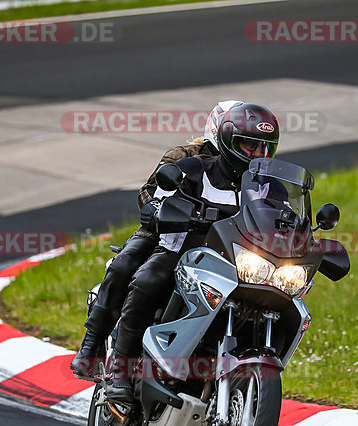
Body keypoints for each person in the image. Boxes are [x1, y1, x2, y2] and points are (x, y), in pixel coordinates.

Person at [104, 102, 281, 401]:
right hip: (178, 243)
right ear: (225, 137)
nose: (254, 154)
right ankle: (119, 369)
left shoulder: (267, 185)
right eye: (247, 145)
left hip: (234, 259)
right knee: (146, 280)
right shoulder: (189, 162)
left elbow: (280, 217)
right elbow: (153, 194)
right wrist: (164, 211)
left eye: (262, 148)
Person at [70, 100, 244, 378]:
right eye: (241, 140)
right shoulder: (184, 156)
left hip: (219, 244)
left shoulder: (251, 169)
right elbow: (149, 191)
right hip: (165, 232)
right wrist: (158, 209)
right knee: (124, 266)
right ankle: (91, 346)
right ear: (219, 131)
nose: (251, 149)